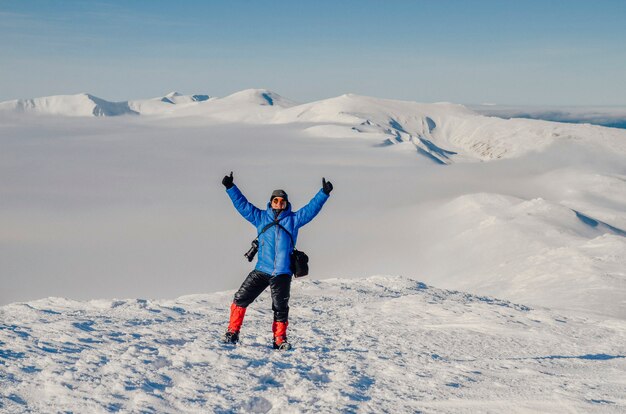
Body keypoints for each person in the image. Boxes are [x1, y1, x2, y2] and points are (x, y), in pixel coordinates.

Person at [221, 172, 333, 350]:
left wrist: (324, 193)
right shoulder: (260, 217)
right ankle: (232, 333)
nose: (279, 204)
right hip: (261, 270)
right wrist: (230, 187)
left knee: (280, 308)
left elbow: (311, 209)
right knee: (240, 299)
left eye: (282, 201)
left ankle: (280, 339)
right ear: (271, 202)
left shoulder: (293, 220)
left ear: (286, 203)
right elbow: (243, 206)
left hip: (282, 273)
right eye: (276, 201)